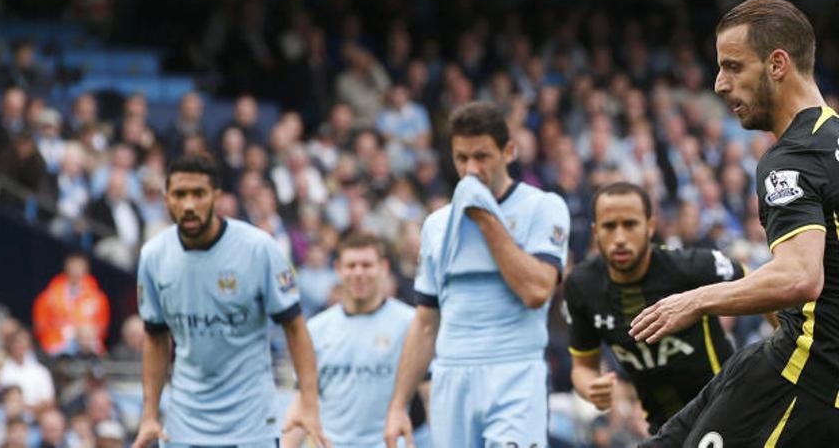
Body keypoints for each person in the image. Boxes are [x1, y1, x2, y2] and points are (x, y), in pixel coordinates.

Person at [632, 0, 839, 445]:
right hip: (781, 361)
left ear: (777, 64)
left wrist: (695, 300)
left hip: (800, 383)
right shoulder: (831, 141)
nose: (720, 84)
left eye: (733, 67)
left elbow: (801, 276)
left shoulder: (792, 160)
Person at [384, 102, 570, 448]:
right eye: (462, 158)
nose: (471, 170)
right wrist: (398, 405)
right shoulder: (436, 226)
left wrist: (483, 215)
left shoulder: (543, 208)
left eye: (482, 157)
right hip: (451, 374)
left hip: (515, 371)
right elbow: (426, 322)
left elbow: (536, 290)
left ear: (509, 152)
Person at [132, 154, 329, 448]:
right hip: (184, 425)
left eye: (198, 194)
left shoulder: (258, 249)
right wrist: (149, 415)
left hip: (252, 424)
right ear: (166, 199)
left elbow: (296, 328)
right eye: (179, 194)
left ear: (216, 196)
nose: (188, 205)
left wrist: (309, 403)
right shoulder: (153, 256)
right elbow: (155, 337)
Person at [564, 181, 747, 434]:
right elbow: (583, 366)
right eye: (609, 226)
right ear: (595, 231)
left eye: (629, 224)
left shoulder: (687, 267)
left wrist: (791, 346)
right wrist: (591, 388)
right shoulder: (582, 285)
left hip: (724, 413)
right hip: (664, 430)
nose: (619, 238)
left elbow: (757, 281)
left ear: (650, 227)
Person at [283, 232, 426, 448]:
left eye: (367, 265)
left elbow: (429, 393)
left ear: (384, 268)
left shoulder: (410, 323)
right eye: (351, 266)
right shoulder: (316, 329)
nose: (358, 273)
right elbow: (303, 399)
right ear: (338, 269)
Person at [33, 252, 111, 356]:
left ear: (86, 269)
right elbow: (40, 326)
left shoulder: (97, 298)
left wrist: (83, 333)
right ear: (66, 267)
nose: (76, 270)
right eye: (73, 265)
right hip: (57, 345)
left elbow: (103, 327)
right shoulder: (49, 296)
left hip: (88, 346)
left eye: (80, 266)